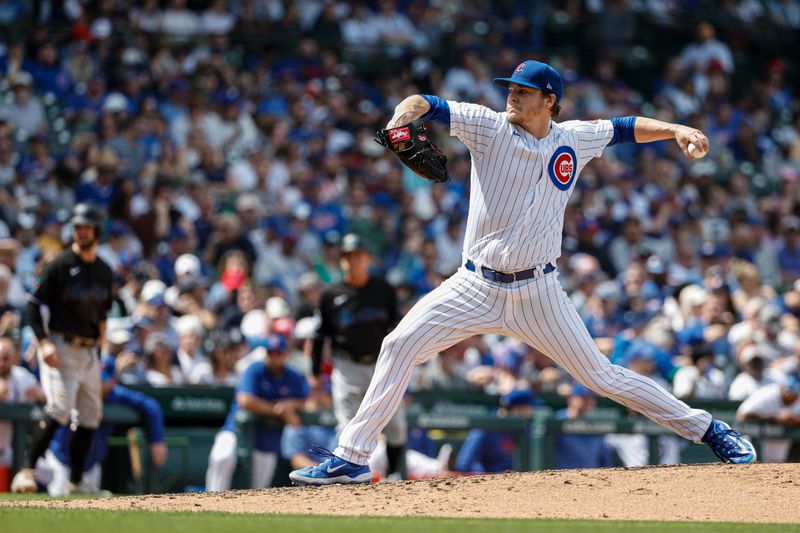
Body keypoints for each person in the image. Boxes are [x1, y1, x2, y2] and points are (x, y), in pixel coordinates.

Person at [290, 59, 755, 486]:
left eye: (524, 90)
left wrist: (676, 129)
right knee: (398, 345)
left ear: (549, 100)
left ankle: (710, 430)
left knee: (602, 376)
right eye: (510, 87)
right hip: (474, 284)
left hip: (539, 291)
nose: (512, 95)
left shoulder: (573, 137)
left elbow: (625, 127)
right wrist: (399, 121)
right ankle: (352, 456)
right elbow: (423, 103)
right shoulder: (488, 127)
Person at [11, 203, 114, 494]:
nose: (81, 232)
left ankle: (77, 482)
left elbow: (103, 314)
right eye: (78, 227)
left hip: (89, 350)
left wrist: (101, 352)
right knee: (59, 408)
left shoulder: (105, 271)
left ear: (97, 231)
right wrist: (43, 343)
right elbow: (32, 305)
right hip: (60, 344)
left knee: (91, 414)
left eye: (87, 227)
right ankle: (26, 471)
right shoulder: (59, 264)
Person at [300, 233, 406, 482]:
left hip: (382, 365)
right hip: (346, 365)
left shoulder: (383, 289)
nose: (354, 261)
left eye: (358, 256)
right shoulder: (331, 294)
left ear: (368, 258)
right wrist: (314, 372)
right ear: (342, 261)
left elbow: (399, 329)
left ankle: (395, 475)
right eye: (348, 257)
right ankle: (346, 476)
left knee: (396, 426)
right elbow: (318, 336)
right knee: (346, 425)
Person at [205, 334, 308, 491]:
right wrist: (278, 410)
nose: (273, 357)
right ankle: (211, 500)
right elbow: (245, 400)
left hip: (268, 436)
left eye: (277, 353)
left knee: (258, 488)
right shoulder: (254, 369)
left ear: (286, 354)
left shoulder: (293, 376)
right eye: (269, 352)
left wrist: (290, 404)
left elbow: (306, 401)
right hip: (236, 430)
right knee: (221, 457)